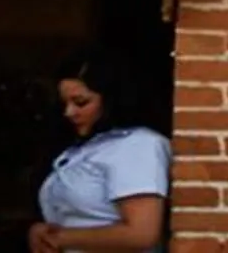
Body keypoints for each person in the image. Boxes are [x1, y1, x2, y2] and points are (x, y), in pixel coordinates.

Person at [25, 57, 165, 253]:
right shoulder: (78, 148)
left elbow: (142, 233)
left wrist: (61, 238)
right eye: (64, 103)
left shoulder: (137, 145)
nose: (69, 112)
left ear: (111, 99)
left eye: (80, 102)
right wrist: (41, 231)